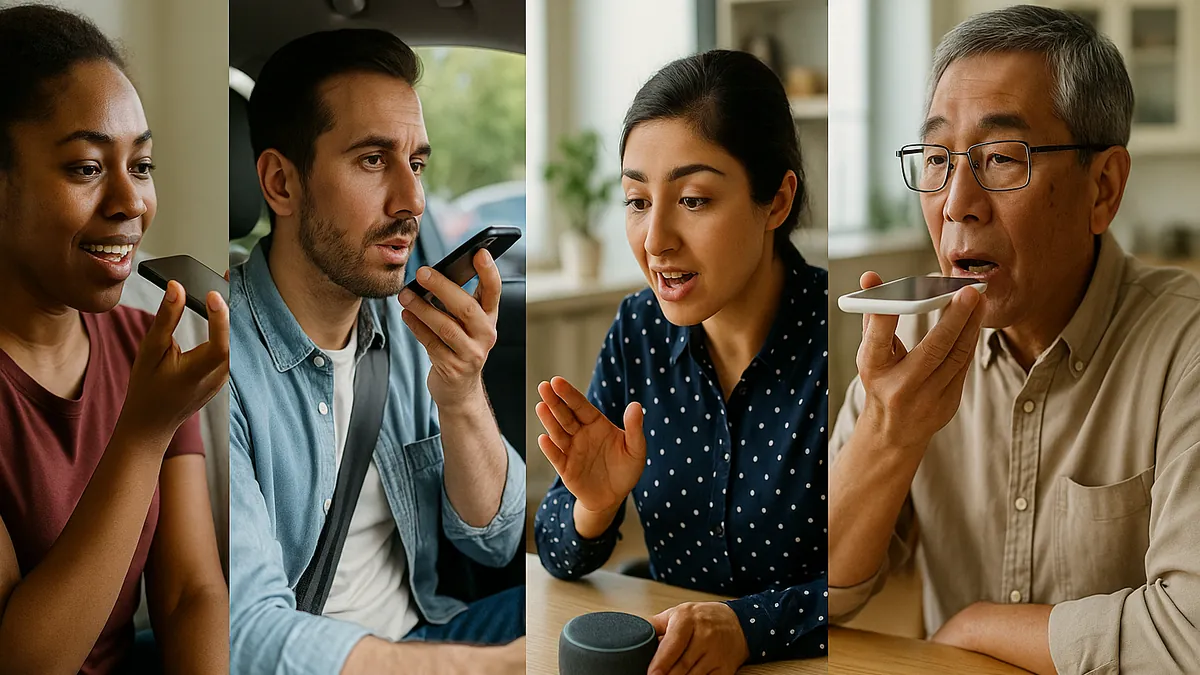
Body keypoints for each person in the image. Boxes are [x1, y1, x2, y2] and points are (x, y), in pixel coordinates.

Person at [828, 6, 1200, 674]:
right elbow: (807, 589)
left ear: (1103, 188)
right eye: (938, 159)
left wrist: (980, 625)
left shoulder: (1185, 348)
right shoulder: (913, 337)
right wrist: (888, 431)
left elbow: (1191, 634)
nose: (956, 201)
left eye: (1001, 158)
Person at [228, 29, 526, 675]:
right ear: (281, 182)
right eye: (372, 160)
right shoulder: (212, 360)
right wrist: (485, 668)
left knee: (608, 625)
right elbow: (244, 636)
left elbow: (495, 538)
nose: (412, 200)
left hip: (428, 629)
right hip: (319, 662)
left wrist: (462, 392)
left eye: (416, 163)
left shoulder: (407, 328)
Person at [533, 50, 828, 673]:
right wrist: (595, 504)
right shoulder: (638, 329)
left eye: (693, 200)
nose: (655, 238)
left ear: (776, 201)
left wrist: (747, 627)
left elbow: (888, 580)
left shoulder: (847, 340)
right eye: (637, 200)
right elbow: (559, 555)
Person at [0, 5, 231, 674]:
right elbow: (25, 662)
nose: (131, 201)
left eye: (144, 163)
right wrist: (142, 431)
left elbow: (191, 591)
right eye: (85, 168)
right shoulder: (153, 388)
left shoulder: (145, 344)